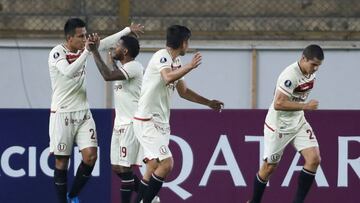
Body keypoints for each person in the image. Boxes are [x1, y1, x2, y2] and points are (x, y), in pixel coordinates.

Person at [48, 18, 143, 203]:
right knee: (62, 162)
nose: (84, 39)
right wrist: (87, 51)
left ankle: (73, 195)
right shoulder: (57, 52)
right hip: (62, 113)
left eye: (85, 35)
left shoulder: (85, 48)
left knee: (91, 156)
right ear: (69, 38)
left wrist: (126, 29)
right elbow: (68, 71)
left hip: (83, 112)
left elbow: (105, 43)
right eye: (80, 36)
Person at [132, 25, 224, 203]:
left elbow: (184, 92)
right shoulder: (162, 56)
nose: (188, 46)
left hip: (161, 124)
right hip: (147, 121)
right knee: (167, 164)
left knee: (152, 168)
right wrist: (190, 66)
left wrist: (208, 102)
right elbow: (167, 77)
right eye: (188, 42)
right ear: (183, 43)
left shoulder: (176, 62)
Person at [247, 44, 324, 203]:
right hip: (279, 125)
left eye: (318, 65)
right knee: (269, 168)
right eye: (313, 64)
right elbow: (278, 104)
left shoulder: (310, 74)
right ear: (303, 58)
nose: (315, 68)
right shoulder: (290, 75)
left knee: (314, 159)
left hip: (298, 121)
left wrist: (301, 109)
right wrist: (305, 106)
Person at [88, 34, 148, 203]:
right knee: (116, 167)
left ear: (126, 51)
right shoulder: (124, 68)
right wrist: (111, 57)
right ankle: (150, 195)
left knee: (125, 168)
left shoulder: (134, 67)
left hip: (130, 124)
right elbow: (113, 71)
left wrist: (95, 52)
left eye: (117, 46)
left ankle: (144, 197)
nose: (114, 48)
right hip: (119, 125)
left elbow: (108, 76)